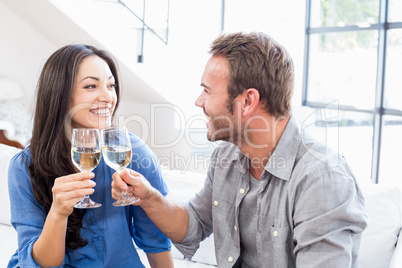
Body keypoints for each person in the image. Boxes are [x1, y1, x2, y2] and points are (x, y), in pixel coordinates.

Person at [112, 32, 368, 267]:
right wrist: (148, 197)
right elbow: (193, 224)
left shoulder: (322, 179)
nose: (198, 101)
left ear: (247, 101)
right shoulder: (228, 156)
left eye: (207, 91)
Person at [7, 44, 173, 268]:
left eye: (111, 85)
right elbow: (41, 263)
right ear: (60, 94)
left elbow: (156, 240)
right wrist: (58, 213)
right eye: (91, 86)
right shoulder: (24, 166)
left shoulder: (131, 150)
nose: (107, 97)